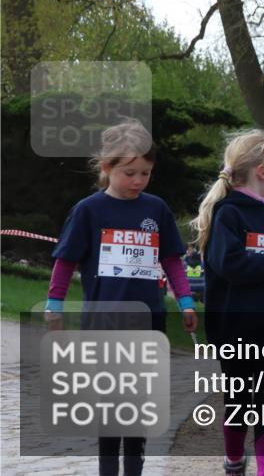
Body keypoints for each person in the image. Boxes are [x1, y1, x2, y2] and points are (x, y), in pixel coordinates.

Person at [45, 119, 198, 476]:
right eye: (130, 172)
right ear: (106, 167)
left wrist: (186, 300)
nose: (138, 181)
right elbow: (65, 262)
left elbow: (172, 261)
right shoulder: (88, 211)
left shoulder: (156, 210)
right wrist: (54, 307)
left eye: (146, 173)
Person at [192, 130, 264, 476]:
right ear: (262, 170)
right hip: (235, 329)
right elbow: (230, 266)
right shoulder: (228, 214)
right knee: (240, 403)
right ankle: (233, 461)